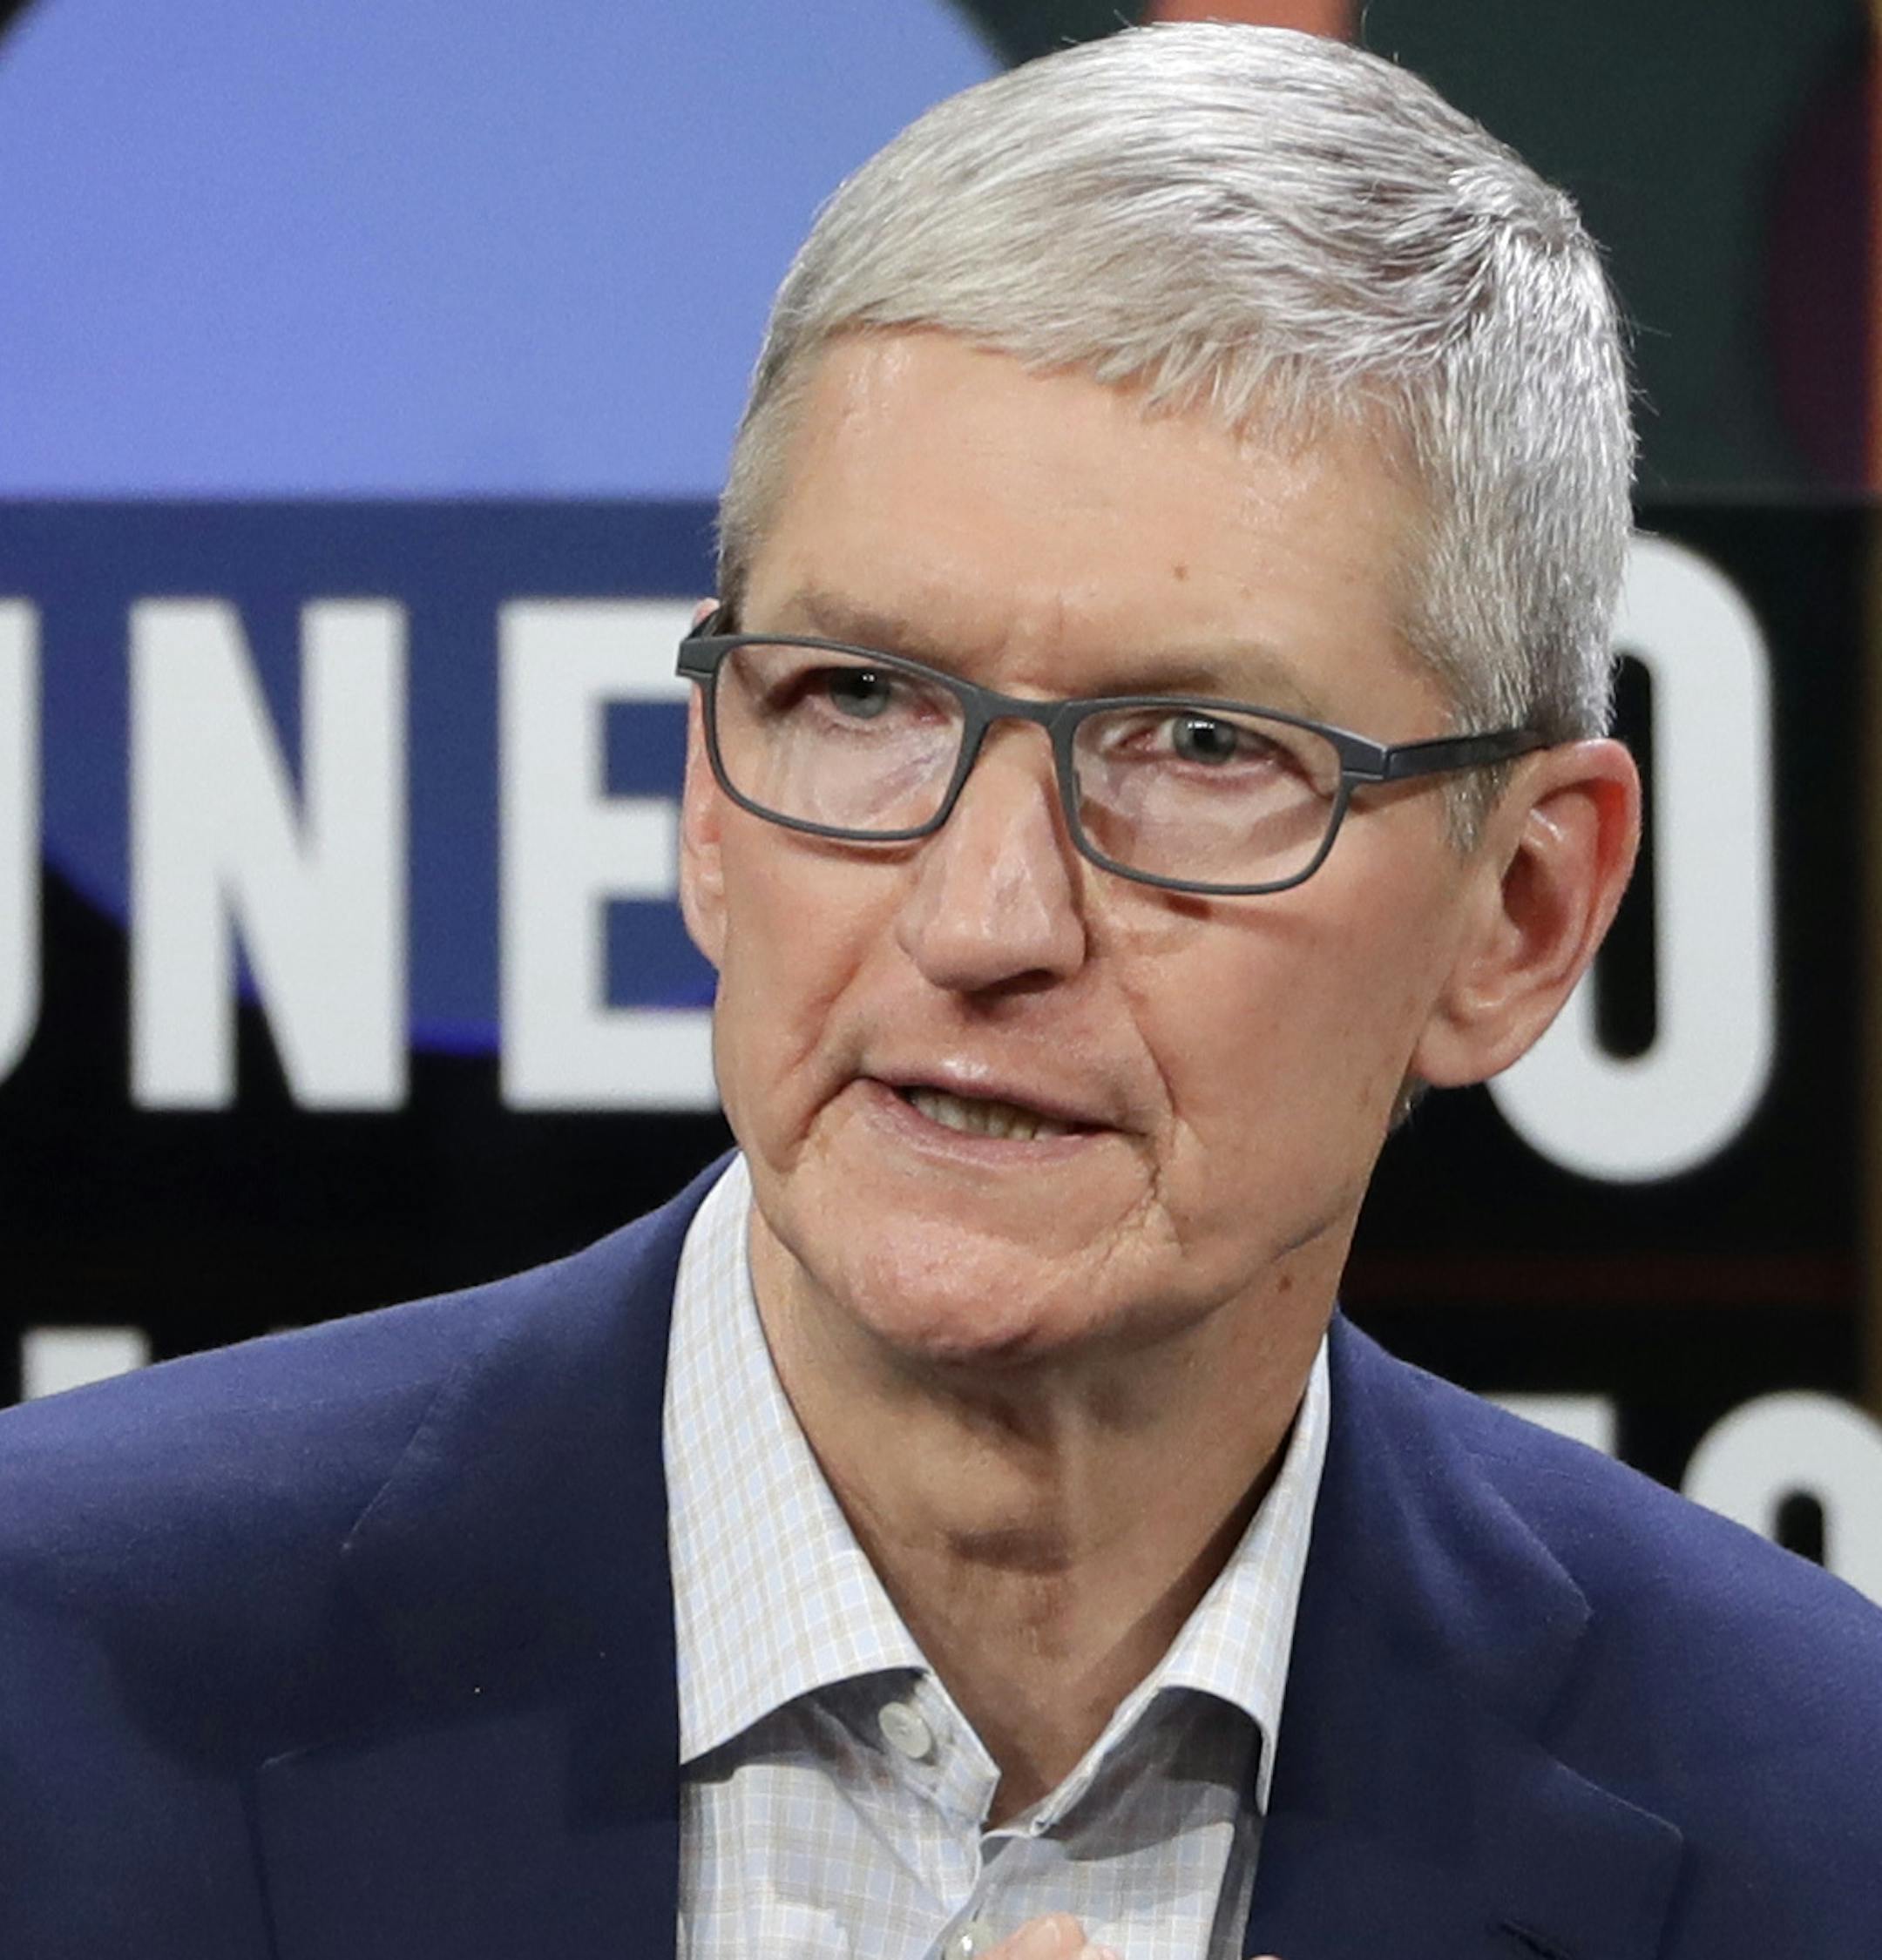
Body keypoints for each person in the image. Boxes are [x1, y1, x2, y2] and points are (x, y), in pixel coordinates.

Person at [3, 23, 1879, 1960]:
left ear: (1523, 911)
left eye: (1200, 743)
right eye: (862, 697)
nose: (986, 916)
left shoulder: (1824, 1824)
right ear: (708, 806)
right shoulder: (43, 1676)